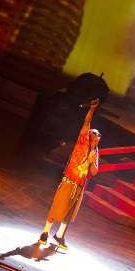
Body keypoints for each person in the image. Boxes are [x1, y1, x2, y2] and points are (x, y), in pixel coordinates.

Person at [39, 99, 101, 249]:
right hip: (69, 180)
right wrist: (92, 109)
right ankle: (45, 232)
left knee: (69, 213)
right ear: (89, 137)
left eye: (98, 140)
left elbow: (95, 172)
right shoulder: (82, 142)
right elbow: (87, 123)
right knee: (57, 208)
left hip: (79, 185)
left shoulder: (95, 152)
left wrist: (93, 161)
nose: (96, 142)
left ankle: (59, 236)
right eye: (94, 139)